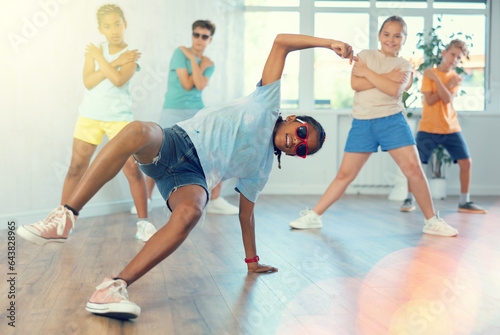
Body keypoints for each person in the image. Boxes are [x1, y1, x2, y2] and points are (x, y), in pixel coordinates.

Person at [17, 33, 354, 319]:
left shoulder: (262, 167)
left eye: (302, 149)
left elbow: (246, 215)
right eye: (301, 132)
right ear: (294, 118)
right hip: (175, 141)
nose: (296, 142)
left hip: (192, 177)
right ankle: (65, 216)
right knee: (135, 131)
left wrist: (252, 262)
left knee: (192, 211)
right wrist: (329, 44)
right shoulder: (267, 101)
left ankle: (113, 287)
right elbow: (281, 42)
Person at [289, 16, 459, 237]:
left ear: (404, 39)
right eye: (387, 34)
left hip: (392, 122)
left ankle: (431, 221)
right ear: (379, 35)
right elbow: (355, 84)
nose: (391, 39)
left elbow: (394, 91)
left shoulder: (404, 65)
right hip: (362, 122)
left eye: (397, 35)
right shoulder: (366, 56)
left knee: (414, 170)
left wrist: (370, 74)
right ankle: (314, 216)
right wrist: (386, 78)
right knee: (344, 175)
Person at [17, 4, 155, 244]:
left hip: (119, 118)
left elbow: (119, 79)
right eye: (108, 26)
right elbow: (89, 82)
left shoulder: (130, 54)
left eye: (117, 24)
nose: (114, 30)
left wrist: (102, 58)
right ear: (100, 29)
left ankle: (143, 223)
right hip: (90, 116)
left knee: (132, 169)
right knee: (75, 168)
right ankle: (60, 221)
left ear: (125, 24)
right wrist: (109, 58)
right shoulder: (96, 51)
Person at [132, 20, 239, 216]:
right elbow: (187, 84)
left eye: (204, 36)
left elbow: (197, 86)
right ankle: (146, 199)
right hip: (172, 109)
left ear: (210, 40)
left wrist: (194, 61)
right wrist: (193, 59)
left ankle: (214, 200)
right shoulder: (180, 53)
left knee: (216, 149)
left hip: (196, 111)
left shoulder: (209, 63)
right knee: (156, 152)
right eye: (196, 35)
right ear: (192, 36)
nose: (199, 39)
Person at [400, 39, 486, 214]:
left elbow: (447, 99)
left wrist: (438, 81)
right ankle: (409, 198)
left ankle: (464, 201)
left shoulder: (454, 77)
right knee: (416, 164)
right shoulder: (428, 73)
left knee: (466, 162)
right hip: (428, 127)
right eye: (453, 54)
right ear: (444, 53)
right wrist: (445, 85)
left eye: (459, 57)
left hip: (451, 127)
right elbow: (430, 100)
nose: (455, 59)